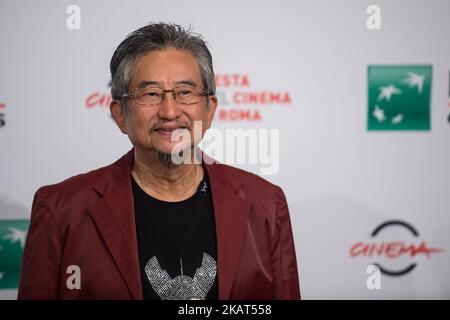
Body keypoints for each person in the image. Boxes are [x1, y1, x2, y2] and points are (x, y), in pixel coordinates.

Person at [18, 22, 300, 300]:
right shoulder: (61, 209)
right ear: (119, 114)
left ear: (210, 109)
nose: (169, 111)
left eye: (185, 92)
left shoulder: (265, 204)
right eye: (150, 94)